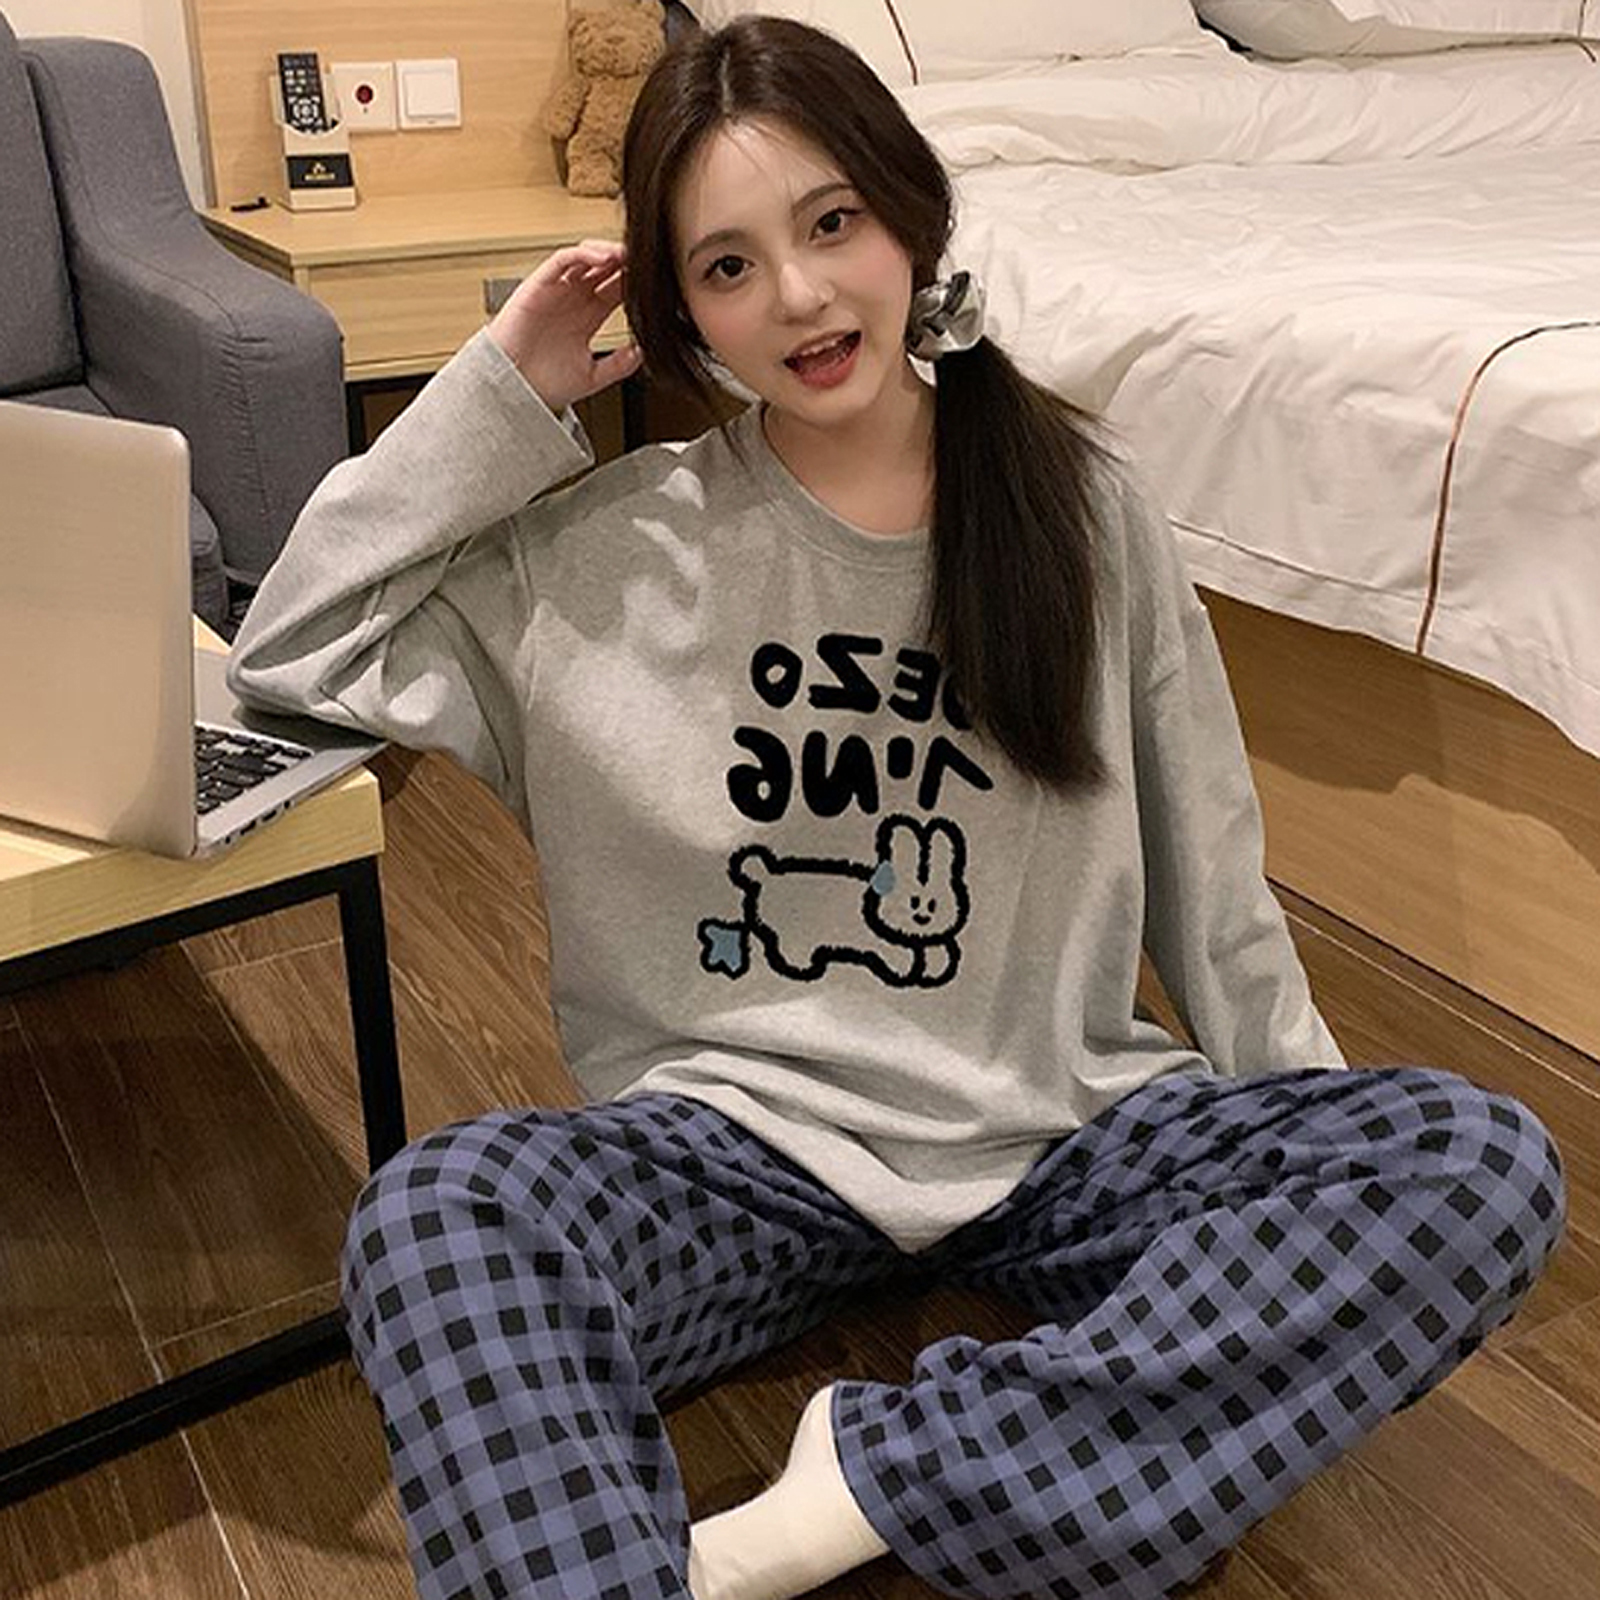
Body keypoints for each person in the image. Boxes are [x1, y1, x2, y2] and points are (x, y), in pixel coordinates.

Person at [227, 17, 1564, 1600]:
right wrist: (499, 396)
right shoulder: (603, 553)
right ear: (676, 311)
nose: (798, 295)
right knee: (436, 1218)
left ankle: (862, 1491)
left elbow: (1212, 874)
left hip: (1066, 1135)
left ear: (910, 215)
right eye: (727, 266)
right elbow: (294, 645)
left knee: (1476, 1159)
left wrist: (1300, 1172)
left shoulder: (1081, 508)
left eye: (832, 222)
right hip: (737, 1156)